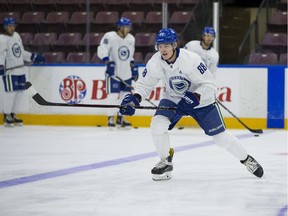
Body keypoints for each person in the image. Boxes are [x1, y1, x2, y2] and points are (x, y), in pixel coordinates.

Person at [119, 28, 264, 181]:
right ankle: (165, 161)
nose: (163, 49)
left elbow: (210, 85)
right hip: (173, 98)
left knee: (221, 138)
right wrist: (134, 98)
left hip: (201, 102)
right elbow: (145, 85)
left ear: (174, 45)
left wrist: (195, 96)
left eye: (166, 45)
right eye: (160, 46)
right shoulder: (155, 62)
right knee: (157, 125)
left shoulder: (191, 60)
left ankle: (247, 159)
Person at [0, 17, 45, 127]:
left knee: (19, 93)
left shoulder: (16, 36)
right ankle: (6, 116)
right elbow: (0, 54)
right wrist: (0, 65)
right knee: (11, 93)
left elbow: (20, 52)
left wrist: (32, 57)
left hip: (20, 69)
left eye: (13, 25)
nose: (12, 28)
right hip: (10, 71)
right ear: (5, 27)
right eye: (9, 26)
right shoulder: (2, 38)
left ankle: (13, 114)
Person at [97, 17, 138, 130]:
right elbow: (102, 49)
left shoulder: (131, 38)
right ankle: (110, 118)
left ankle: (121, 118)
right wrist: (107, 62)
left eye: (129, 27)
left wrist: (133, 67)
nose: (128, 29)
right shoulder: (110, 36)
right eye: (126, 27)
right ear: (120, 27)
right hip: (114, 73)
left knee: (125, 96)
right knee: (113, 95)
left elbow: (130, 55)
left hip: (126, 73)